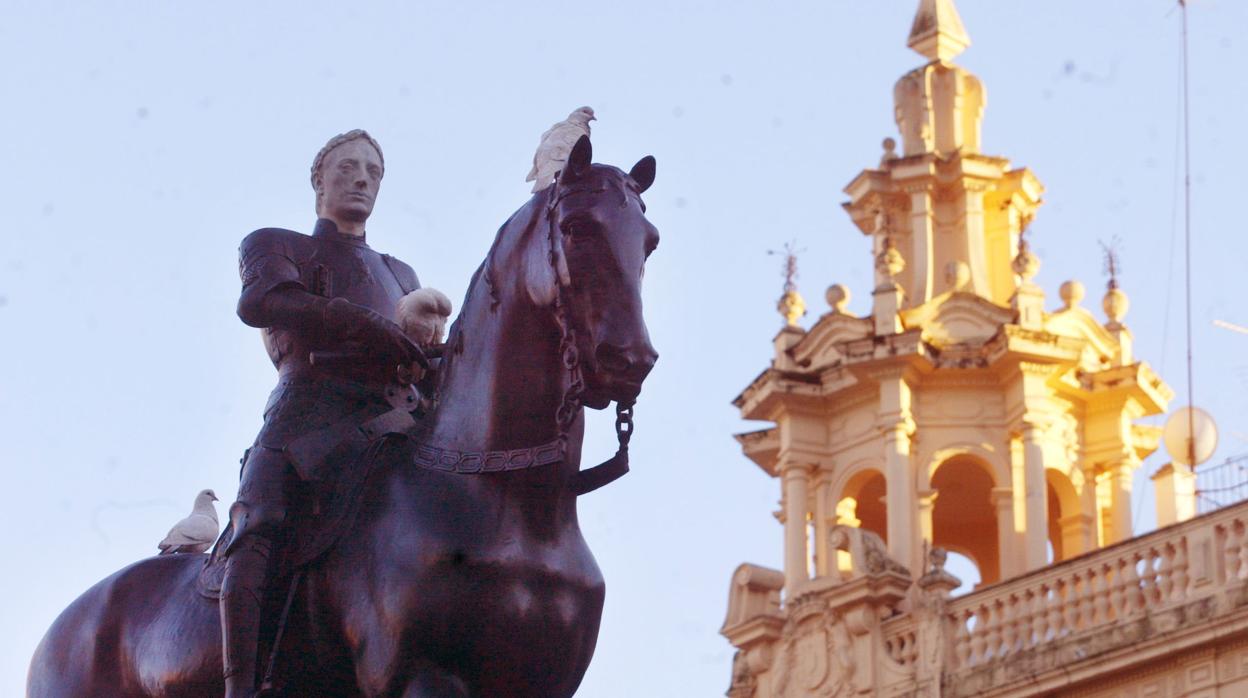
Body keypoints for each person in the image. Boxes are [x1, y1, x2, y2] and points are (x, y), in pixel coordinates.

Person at [220, 129, 425, 698]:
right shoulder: (277, 243)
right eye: (348, 168)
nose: (362, 179)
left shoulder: (399, 273)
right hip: (305, 414)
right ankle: (240, 684)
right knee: (258, 518)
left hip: (392, 420)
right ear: (319, 180)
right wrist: (359, 322)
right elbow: (261, 301)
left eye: (373, 172)